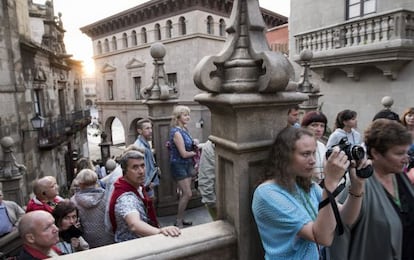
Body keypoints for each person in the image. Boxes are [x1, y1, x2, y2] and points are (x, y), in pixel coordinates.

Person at [252, 127, 367, 259]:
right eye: (306, 154)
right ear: (285, 156)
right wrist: (330, 183)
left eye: (314, 153)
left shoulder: (306, 186)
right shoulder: (268, 194)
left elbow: (346, 218)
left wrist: (357, 187)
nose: (313, 160)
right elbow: (322, 238)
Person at [326, 119, 414, 260]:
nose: (406, 159)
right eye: (399, 154)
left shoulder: (400, 178)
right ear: (376, 153)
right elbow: (340, 232)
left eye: (406, 152)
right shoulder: (357, 182)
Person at [108, 150, 180, 242]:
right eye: (135, 167)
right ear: (124, 171)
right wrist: (159, 231)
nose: (141, 171)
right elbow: (134, 224)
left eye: (142, 166)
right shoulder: (126, 198)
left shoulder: (136, 186)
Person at [169, 105, 198, 228]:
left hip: (186, 164)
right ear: (178, 117)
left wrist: (194, 142)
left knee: (184, 194)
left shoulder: (184, 130)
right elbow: (184, 153)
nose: (188, 117)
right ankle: (178, 221)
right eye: (185, 115)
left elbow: (188, 145)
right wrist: (195, 153)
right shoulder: (176, 132)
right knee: (187, 193)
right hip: (179, 164)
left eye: (188, 115)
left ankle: (180, 219)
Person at [70, 169, 114, 248]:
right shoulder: (107, 196)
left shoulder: (73, 201)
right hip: (108, 237)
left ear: (80, 183)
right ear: (96, 181)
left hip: (88, 241)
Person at [134, 118, 160, 199]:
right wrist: (148, 184)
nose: (150, 131)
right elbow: (142, 167)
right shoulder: (140, 147)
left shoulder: (145, 143)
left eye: (151, 128)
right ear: (139, 131)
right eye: (147, 128)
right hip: (146, 185)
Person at [301, 111, 328, 183]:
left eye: (322, 126)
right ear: (305, 127)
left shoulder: (322, 146)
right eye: (314, 125)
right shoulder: (299, 145)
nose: (319, 129)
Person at [197, 140, 216, 220]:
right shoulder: (210, 146)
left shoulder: (209, 146)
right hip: (217, 201)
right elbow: (205, 178)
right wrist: (211, 202)